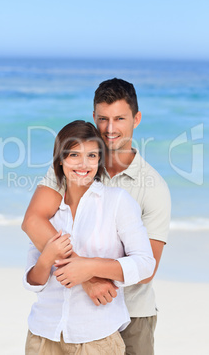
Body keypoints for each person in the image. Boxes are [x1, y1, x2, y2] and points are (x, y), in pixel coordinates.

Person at [22, 78, 171, 355]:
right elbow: (33, 222)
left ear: (136, 119)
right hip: (72, 316)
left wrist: (87, 269)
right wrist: (86, 277)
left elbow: (145, 270)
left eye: (119, 118)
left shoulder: (154, 187)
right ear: (93, 117)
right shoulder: (73, 168)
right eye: (103, 118)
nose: (110, 129)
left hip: (133, 313)